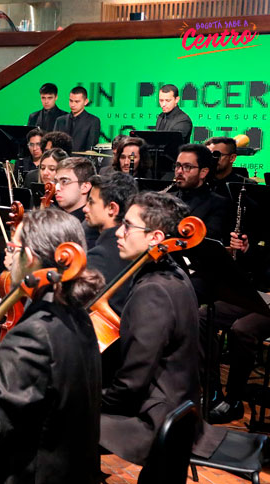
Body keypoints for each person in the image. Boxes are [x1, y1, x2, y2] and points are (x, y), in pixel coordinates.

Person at [0, 208, 103, 483]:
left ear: (31, 258)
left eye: (13, 247)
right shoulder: (78, 314)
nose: (8, 257)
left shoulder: (33, 334)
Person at [101, 191, 225, 472]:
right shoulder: (176, 274)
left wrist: (90, 397)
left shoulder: (154, 291)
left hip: (154, 420)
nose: (119, 232)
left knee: (55, 420)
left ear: (156, 238)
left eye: (128, 226)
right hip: (177, 409)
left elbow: (132, 383)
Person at [202, 231, 270, 423]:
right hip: (262, 293)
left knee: (243, 329)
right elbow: (261, 264)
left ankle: (234, 401)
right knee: (204, 315)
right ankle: (212, 392)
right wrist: (247, 250)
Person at [83, 172, 138, 315]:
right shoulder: (135, 247)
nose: (85, 208)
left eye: (91, 202)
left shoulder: (100, 256)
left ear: (112, 209)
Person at [166, 144, 228, 242]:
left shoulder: (218, 204)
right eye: (178, 166)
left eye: (187, 167)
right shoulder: (166, 198)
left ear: (203, 172)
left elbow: (208, 240)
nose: (179, 171)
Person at [53, 86, 101, 152]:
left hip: (81, 161)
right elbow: (54, 146)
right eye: (71, 101)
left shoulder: (93, 121)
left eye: (77, 101)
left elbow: (91, 149)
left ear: (86, 102)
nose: (72, 104)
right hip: (60, 160)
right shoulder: (60, 120)